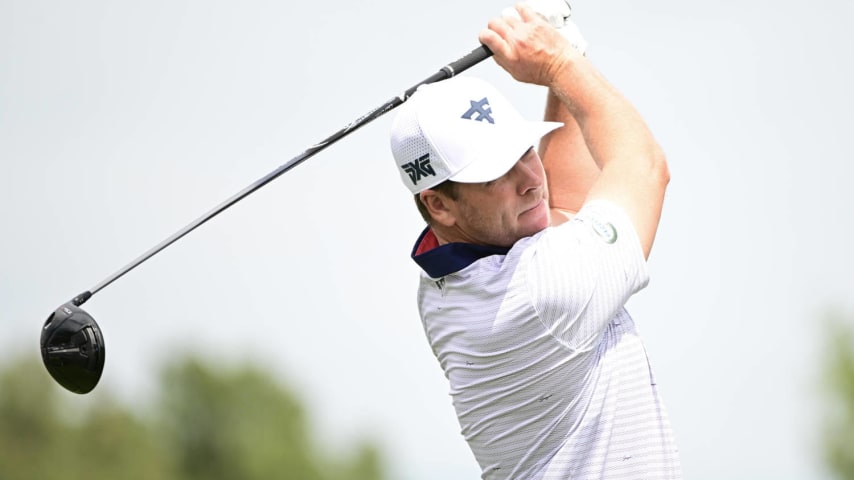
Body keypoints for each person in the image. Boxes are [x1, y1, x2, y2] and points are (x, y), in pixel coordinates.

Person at [389, 3, 681, 479]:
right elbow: (645, 167)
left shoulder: (451, 284)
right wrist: (560, 65)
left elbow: (558, 206)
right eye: (498, 172)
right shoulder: (542, 295)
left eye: (524, 150)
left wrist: (567, 58)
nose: (531, 178)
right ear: (438, 204)